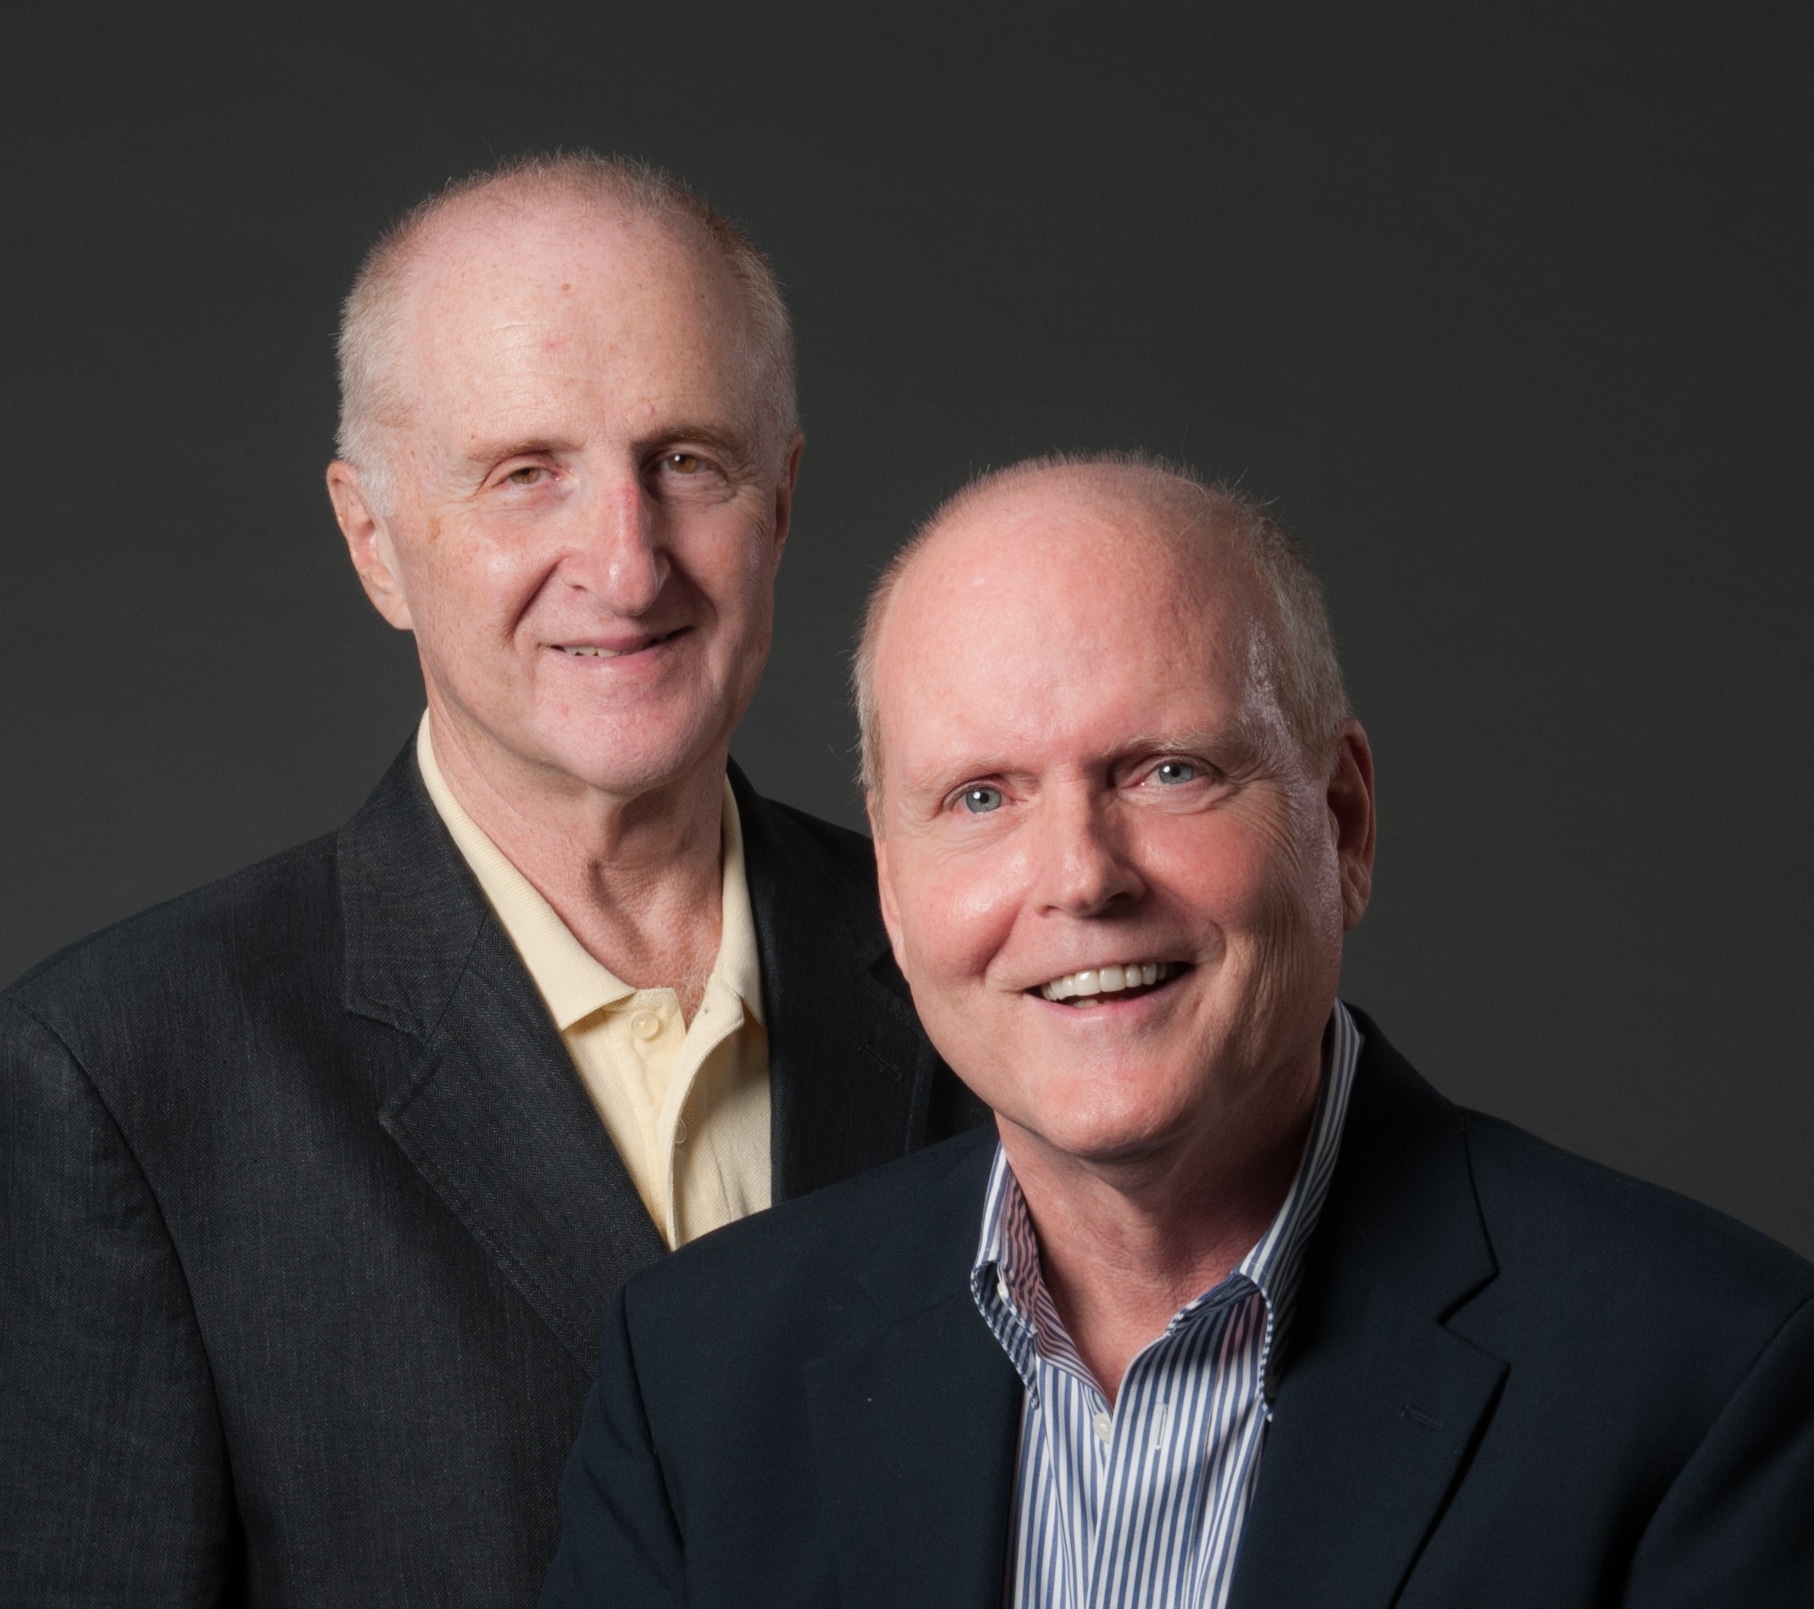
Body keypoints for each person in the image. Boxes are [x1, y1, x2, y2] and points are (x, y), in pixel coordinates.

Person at [540, 454, 1814, 1607]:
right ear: (890, 885)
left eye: (1166, 771)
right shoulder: (699, 1379)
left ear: (1342, 822)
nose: (1080, 877)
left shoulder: (1706, 1380)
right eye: (980, 797)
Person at [0, 154, 980, 1607]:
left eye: (687, 462)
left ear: (778, 501)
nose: (626, 564)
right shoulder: (126, 1077)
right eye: (526, 475)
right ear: (374, 541)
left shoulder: (994, 964)